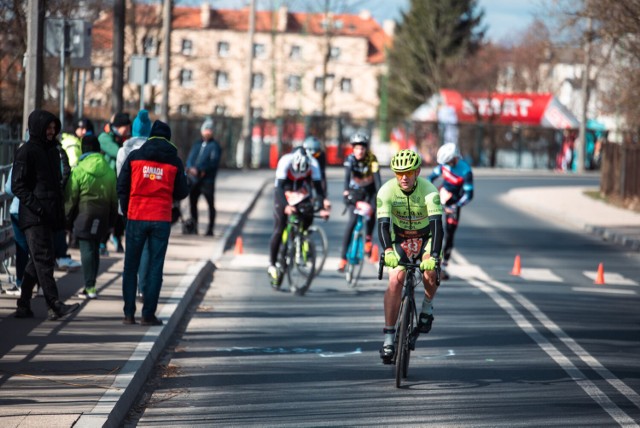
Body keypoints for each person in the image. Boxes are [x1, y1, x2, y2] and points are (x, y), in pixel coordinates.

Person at [117, 120, 189, 326]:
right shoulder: (174, 161)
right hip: (161, 218)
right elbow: (182, 192)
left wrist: (126, 211)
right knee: (155, 267)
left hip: (136, 215)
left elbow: (122, 186)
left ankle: (128, 314)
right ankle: (148, 315)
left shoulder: (135, 156)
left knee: (130, 266)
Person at [11, 109, 80, 320]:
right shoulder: (27, 151)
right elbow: (18, 186)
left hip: (48, 215)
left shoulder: (52, 150)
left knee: (37, 260)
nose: (51, 132)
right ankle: (54, 305)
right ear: (38, 128)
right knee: (44, 260)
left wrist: (59, 215)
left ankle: (23, 305)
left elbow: (56, 186)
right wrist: (38, 207)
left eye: (53, 128)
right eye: (48, 128)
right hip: (34, 216)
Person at [377, 149, 444, 363]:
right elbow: (383, 226)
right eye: (399, 173)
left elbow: (438, 227)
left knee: (429, 270)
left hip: (427, 238)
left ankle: (427, 306)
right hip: (401, 239)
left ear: (417, 172)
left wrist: (433, 256)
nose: (403, 177)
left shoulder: (430, 191)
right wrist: (388, 251)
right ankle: (389, 338)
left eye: (408, 172)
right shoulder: (386, 191)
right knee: (395, 281)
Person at [267, 147, 330, 285]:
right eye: (297, 170)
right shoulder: (285, 161)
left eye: (303, 170)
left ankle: (300, 238)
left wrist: (321, 207)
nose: (299, 172)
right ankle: (272, 263)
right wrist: (286, 206)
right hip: (285, 190)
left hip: (300, 191)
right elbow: (278, 188)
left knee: (309, 213)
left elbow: (319, 190)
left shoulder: (313, 164)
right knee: (279, 227)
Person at [65, 135, 118, 299]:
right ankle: (92, 284)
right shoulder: (109, 170)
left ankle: (89, 287)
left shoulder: (79, 169)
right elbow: (114, 198)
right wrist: (112, 219)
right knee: (95, 248)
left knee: (86, 249)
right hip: (102, 214)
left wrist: (65, 217)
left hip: (84, 214)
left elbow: (70, 195)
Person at [116, 109, 152, 301]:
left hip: (128, 206)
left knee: (131, 249)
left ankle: (128, 299)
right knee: (146, 248)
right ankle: (142, 287)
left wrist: (123, 205)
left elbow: (120, 179)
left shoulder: (124, 150)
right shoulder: (154, 150)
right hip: (148, 206)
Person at [427, 143, 473, 280]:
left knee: (449, 234)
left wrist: (456, 206)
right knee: (431, 228)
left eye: (448, 162)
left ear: (454, 159)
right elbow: (430, 179)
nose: (446, 165)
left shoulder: (466, 171)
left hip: (454, 203)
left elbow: (469, 195)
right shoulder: (443, 165)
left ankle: (444, 266)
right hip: (441, 197)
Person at [337, 132, 381, 272]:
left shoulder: (372, 159)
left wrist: (380, 195)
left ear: (365, 149)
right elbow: (346, 178)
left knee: (373, 210)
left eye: (362, 148)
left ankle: (368, 239)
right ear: (353, 149)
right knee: (352, 222)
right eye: (356, 148)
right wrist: (346, 192)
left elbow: (377, 179)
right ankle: (343, 258)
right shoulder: (350, 159)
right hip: (355, 192)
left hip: (370, 191)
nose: (359, 151)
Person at [99, 112, 131, 252]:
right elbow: (117, 153)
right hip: (107, 181)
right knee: (107, 213)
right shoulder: (105, 138)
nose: (127, 129)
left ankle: (117, 237)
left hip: (121, 181)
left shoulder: (125, 139)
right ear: (118, 126)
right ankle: (102, 241)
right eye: (125, 127)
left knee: (120, 212)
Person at [185, 118, 221, 236]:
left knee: (210, 204)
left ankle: (210, 229)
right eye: (206, 129)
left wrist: (200, 169)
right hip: (194, 180)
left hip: (207, 181)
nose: (207, 132)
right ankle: (194, 227)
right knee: (193, 203)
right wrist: (190, 168)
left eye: (210, 130)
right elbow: (190, 158)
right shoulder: (197, 144)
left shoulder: (215, 146)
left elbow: (213, 162)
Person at [4, 167, 28, 296]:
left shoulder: (19, 162)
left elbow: (9, 189)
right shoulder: (46, 157)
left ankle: (21, 283)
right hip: (40, 211)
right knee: (39, 249)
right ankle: (41, 285)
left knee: (22, 248)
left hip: (19, 209)